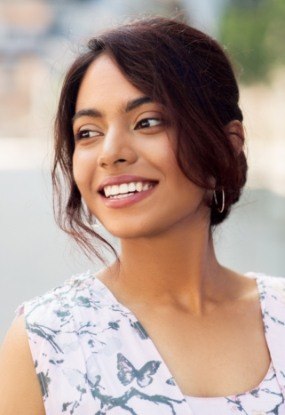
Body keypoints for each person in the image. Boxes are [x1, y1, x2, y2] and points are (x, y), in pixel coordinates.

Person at [0, 16, 284, 415]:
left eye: (147, 122)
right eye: (88, 132)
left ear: (227, 143)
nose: (111, 152)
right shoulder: (46, 341)